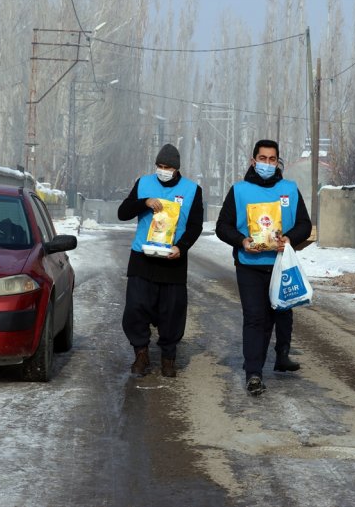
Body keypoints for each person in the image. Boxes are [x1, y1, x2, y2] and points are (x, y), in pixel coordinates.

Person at [216, 139, 312, 396]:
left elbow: (304, 224)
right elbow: (222, 226)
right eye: (262, 159)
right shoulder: (239, 191)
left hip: (281, 265)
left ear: (278, 162)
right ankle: (254, 373)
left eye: (272, 159)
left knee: (281, 313)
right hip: (250, 265)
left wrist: (289, 238)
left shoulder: (289, 190)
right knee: (255, 317)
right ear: (253, 161)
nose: (267, 164)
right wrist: (242, 241)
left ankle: (280, 355)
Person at [117, 143, 204, 378]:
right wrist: (143, 202)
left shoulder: (192, 190)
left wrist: (181, 247)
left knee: (172, 312)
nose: (163, 170)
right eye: (159, 166)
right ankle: (141, 353)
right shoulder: (143, 183)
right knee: (135, 308)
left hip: (173, 260)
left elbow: (195, 226)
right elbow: (123, 213)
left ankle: (168, 357)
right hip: (142, 257)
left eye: (167, 167)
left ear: (176, 169)